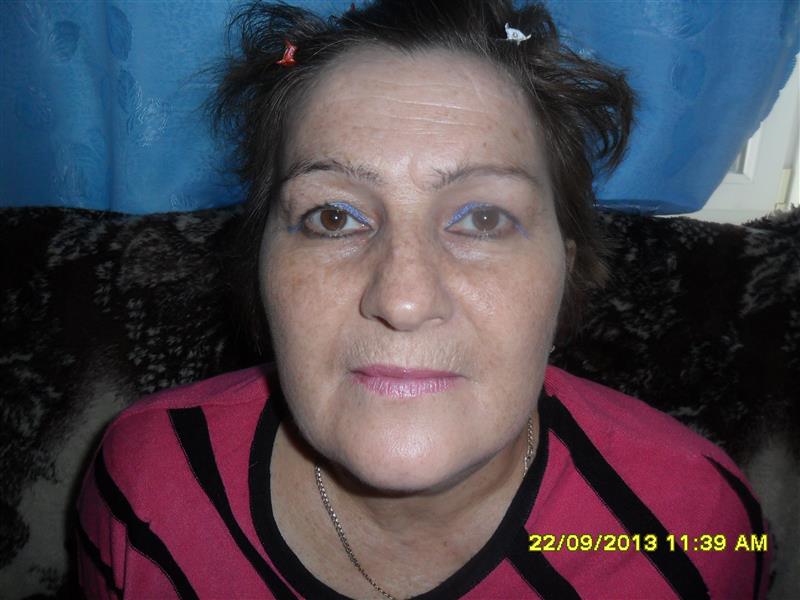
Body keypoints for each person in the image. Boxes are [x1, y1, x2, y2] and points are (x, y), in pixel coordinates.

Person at [75, 1, 770, 598]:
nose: (403, 300)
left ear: (567, 270)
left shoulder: (692, 527)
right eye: (333, 217)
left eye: (484, 219)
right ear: (260, 269)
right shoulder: (150, 484)